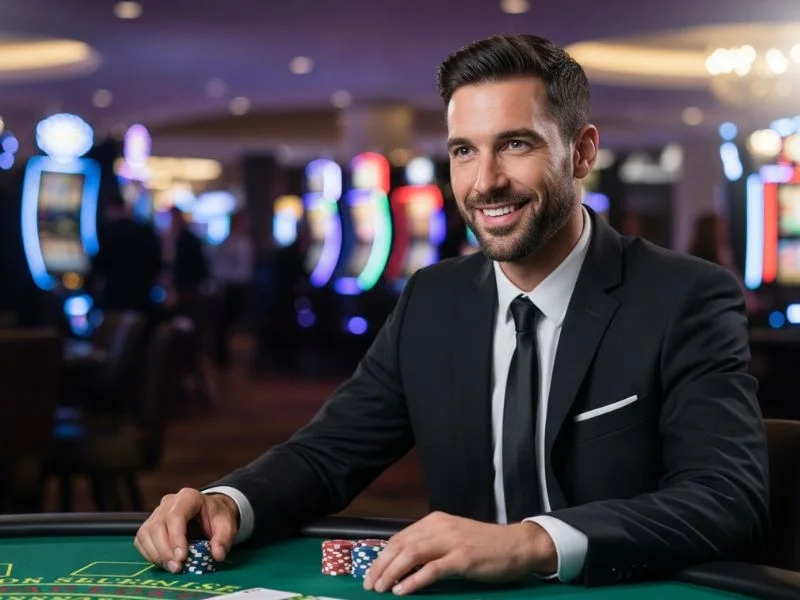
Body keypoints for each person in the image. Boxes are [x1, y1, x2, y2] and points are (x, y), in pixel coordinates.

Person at [134, 34, 768, 594]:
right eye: (464, 150)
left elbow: (726, 499)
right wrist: (228, 501)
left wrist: (529, 542)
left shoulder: (684, 296)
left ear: (581, 152)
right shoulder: (431, 299)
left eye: (514, 144)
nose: (484, 181)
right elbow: (328, 453)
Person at [90, 190, 162, 316]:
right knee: (136, 330)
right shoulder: (145, 231)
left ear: (111, 209)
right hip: (142, 293)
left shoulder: (107, 232)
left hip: (115, 293)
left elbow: (99, 264)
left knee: (115, 330)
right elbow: (156, 263)